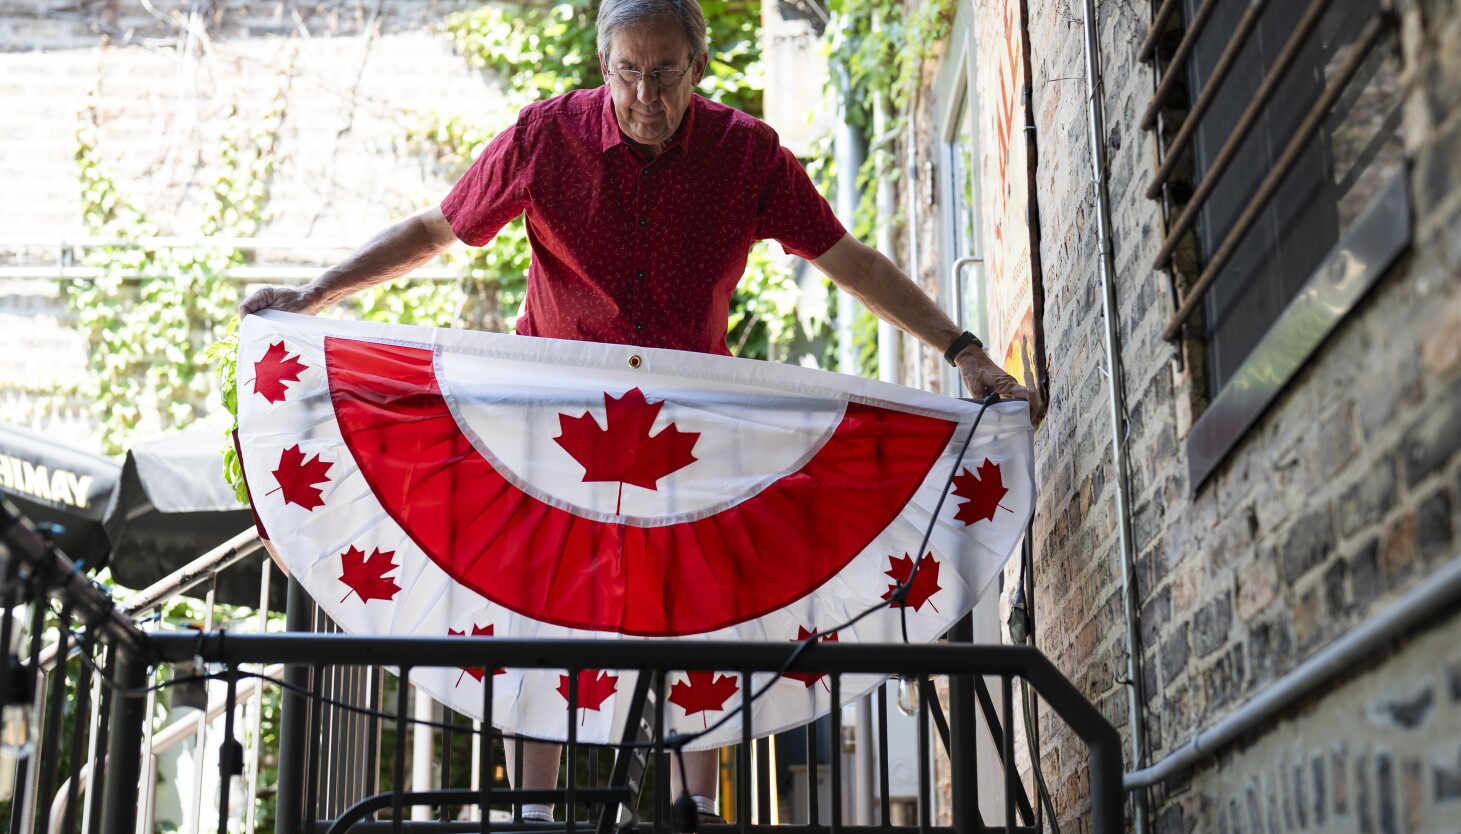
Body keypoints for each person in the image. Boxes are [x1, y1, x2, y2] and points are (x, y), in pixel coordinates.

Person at [240, 0, 1038, 822]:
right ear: (603, 66)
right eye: (626, 72)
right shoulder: (544, 137)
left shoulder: (748, 155)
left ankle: (693, 805)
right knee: (532, 596)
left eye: (663, 74)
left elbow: (850, 262)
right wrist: (314, 295)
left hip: (692, 421)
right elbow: (435, 229)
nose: (644, 95)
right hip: (549, 418)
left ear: (697, 68)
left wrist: (962, 350)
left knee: (696, 597)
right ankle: (539, 811)